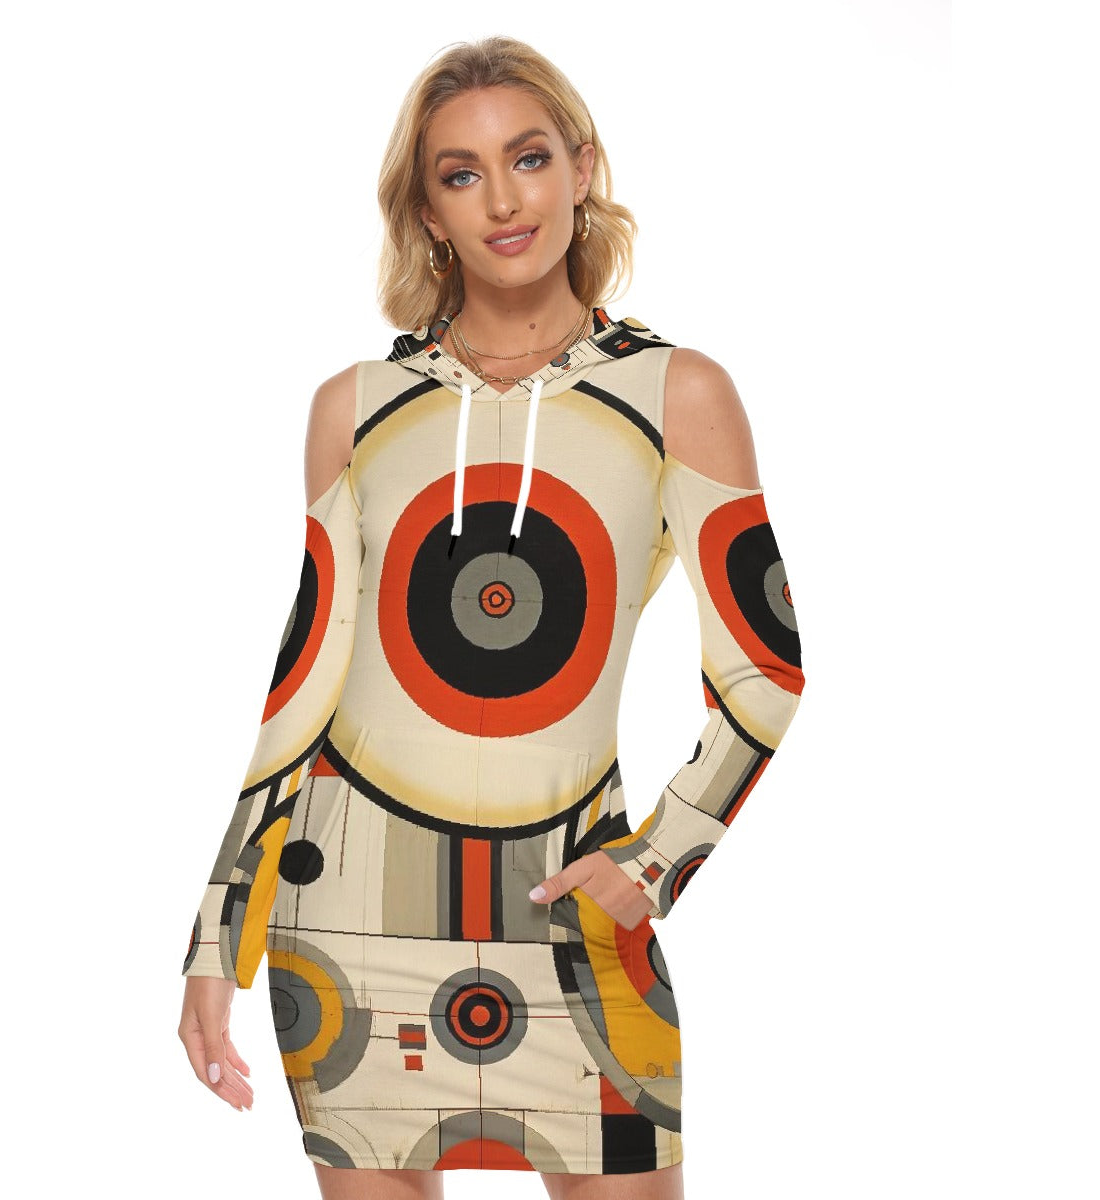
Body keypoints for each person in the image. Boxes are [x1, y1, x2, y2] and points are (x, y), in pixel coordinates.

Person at [177, 34, 805, 1200]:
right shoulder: (356, 409)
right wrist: (220, 932)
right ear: (428, 211)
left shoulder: (676, 392)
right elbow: (304, 681)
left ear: (582, 167)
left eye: (529, 158)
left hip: (572, 918)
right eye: (461, 174)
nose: (504, 200)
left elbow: (766, 671)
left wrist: (654, 864)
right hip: (345, 920)